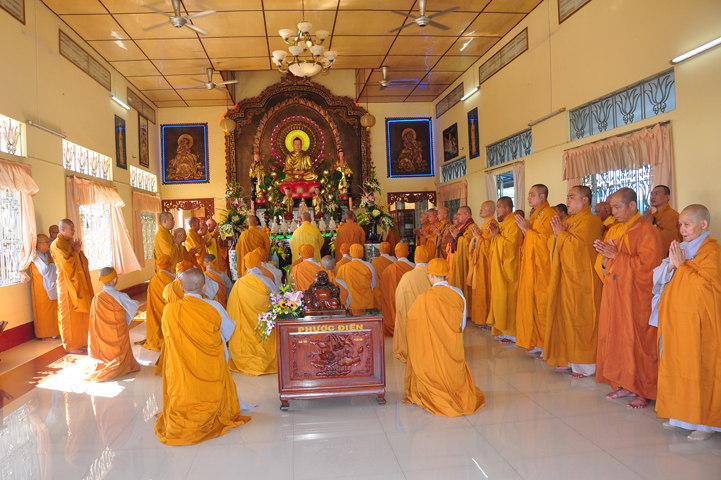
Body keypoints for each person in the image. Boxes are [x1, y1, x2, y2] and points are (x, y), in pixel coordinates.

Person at [155, 268, 251, 445]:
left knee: (185, 386)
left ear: (181, 287)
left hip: (182, 363)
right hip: (209, 364)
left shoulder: (170, 309)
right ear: (204, 287)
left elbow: (168, 336)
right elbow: (228, 332)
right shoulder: (214, 307)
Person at [651, 205, 721, 441]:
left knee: (699, 369)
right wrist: (671, 265)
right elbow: (659, 277)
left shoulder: (712, 251)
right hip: (676, 320)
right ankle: (679, 416)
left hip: (699, 323)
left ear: (703, 225)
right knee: (676, 366)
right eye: (680, 224)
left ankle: (705, 424)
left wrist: (681, 266)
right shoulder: (680, 248)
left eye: (687, 225)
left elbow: (706, 287)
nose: (682, 229)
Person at [594, 187, 662, 409]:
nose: (612, 211)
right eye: (611, 207)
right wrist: (608, 259)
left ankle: (643, 390)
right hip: (615, 294)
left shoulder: (647, 231)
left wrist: (616, 256)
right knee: (616, 338)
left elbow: (648, 268)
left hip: (637, 297)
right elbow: (602, 262)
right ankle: (624, 384)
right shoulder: (614, 230)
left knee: (639, 342)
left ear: (632, 205)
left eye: (617, 207)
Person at [403, 258, 485, 417]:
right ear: (447, 275)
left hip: (433, 350)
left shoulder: (424, 298)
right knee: (454, 370)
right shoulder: (458, 294)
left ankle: (436, 390)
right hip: (453, 345)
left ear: (431, 276)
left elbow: (413, 325)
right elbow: (462, 324)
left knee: (433, 363)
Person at [544, 186, 603, 377]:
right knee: (565, 319)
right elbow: (555, 245)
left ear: (585, 200)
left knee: (582, 320)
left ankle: (586, 365)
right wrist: (557, 235)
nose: (568, 201)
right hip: (567, 278)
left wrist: (561, 234)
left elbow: (579, 249)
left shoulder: (591, 220)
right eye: (567, 197)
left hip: (583, 280)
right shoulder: (570, 220)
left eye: (572, 197)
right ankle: (569, 358)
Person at [515, 185, 555, 355]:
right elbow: (529, 241)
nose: (529, 198)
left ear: (542, 197)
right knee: (533, 305)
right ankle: (537, 342)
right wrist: (526, 232)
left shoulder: (549, 215)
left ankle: (546, 345)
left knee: (542, 305)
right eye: (529, 194)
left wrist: (527, 230)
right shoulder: (536, 215)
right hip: (532, 266)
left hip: (543, 268)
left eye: (532, 195)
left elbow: (545, 243)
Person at [84, 267, 140, 382]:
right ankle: (122, 364)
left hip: (102, 335)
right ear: (115, 279)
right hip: (117, 334)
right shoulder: (120, 296)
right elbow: (133, 306)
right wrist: (125, 317)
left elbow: (94, 319)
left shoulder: (96, 298)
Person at [227, 252, 278, 375]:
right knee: (264, 338)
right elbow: (276, 300)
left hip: (246, 320)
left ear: (246, 264)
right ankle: (266, 360)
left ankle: (248, 360)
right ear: (259, 263)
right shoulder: (267, 280)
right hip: (263, 321)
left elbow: (232, 306)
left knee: (248, 335)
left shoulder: (239, 283)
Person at [51, 219, 94, 353]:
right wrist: (75, 252)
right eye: (72, 228)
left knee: (80, 315)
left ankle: (81, 342)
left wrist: (78, 252)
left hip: (77, 283)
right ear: (63, 229)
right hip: (66, 285)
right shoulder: (57, 244)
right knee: (69, 316)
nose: (74, 231)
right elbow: (67, 264)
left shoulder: (69, 242)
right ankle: (70, 345)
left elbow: (81, 259)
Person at [487, 197, 522, 343]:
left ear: (507, 208)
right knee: (500, 298)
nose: (497, 210)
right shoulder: (504, 224)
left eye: (499, 207)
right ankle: (503, 330)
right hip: (500, 267)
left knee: (509, 299)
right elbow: (497, 244)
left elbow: (510, 247)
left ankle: (512, 333)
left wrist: (497, 236)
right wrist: (496, 237)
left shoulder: (513, 224)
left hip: (509, 269)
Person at [394, 245, 432, 362]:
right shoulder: (435, 276)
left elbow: (399, 301)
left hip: (412, 321)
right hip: (431, 322)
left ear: (415, 258)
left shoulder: (407, 277)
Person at [467, 201, 498, 328]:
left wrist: (478, 238)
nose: (481, 210)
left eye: (483, 208)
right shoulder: (484, 225)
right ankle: (482, 319)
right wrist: (475, 238)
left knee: (486, 291)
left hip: (486, 264)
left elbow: (490, 247)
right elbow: (477, 244)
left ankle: (488, 320)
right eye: (481, 207)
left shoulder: (492, 225)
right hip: (479, 263)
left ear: (491, 210)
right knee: (480, 292)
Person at [140, 254, 175, 352]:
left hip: (156, 310)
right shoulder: (172, 279)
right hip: (169, 310)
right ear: (170, 266)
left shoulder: (153, 279)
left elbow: (150, 298)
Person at [379, 243, 415, 336]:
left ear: (395, 253)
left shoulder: (389, 269)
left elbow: (383, 286)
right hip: (408, 298)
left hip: (394, 298)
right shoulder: (413, 266)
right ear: (407, 253)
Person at [30, 234, 59, 339]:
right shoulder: (37, 256)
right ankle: (44, 335)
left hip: (48, 286)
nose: (48, 244)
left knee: (52, 310)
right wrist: (54, 265)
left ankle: (54, 333)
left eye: (48, 242)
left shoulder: (45, 254)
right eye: (46, 242)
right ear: (38, 245)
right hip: (41, 289)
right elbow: (45, 271)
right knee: (44, 311)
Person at [448, 206, 476, 312]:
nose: (457, 216)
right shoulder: (464, 227)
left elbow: (469, 244)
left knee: (464, 284)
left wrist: (458, 237)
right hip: (460, 260)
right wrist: (456, 236)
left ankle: (467, 309)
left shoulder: (472, 227)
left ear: (466, 214)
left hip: (466, 263)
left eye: (459, 214)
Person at [644, 185, 682, 257]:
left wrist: (652, 225)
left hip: (667, 258)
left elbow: (669, 240)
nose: (653, 197)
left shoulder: (673, 215)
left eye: (657, 194)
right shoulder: (653, 215)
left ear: (667, 197)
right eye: (652, 194)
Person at [337, 244, 377, 310]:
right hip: (366, 303)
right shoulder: (369, 266)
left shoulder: (343, 268)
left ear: (350, 254)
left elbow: (340, 287)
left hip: (350, 304)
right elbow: (373, 284)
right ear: (362, 254)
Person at [371, 242, 396, 309]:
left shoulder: (375, 261)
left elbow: (373, 277)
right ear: (389, 250)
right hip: (391, 288)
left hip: (379, 289)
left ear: (380, 250)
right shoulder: (394, 260)